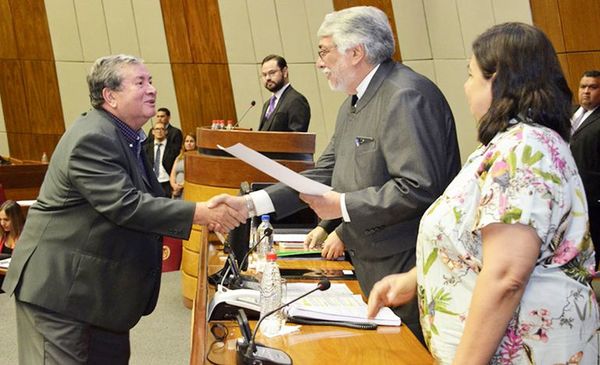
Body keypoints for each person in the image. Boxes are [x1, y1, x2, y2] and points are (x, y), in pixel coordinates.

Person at [211, 6, 461, 344]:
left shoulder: (406, 95)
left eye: (324, 51)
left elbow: (418, 188)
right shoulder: (353, 103)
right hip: (368, 264)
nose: (318, 63)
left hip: (402, 268)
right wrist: (250, 204)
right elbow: (323, 172)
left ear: (356, 52)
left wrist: (341, 204)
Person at [367, 23, 599, 364]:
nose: (465, 86)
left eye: (470, 74)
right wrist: (416, 279)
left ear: (500, 80)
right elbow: (479, 244)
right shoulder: (508, 143)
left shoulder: (523, 149)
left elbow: (507, 275)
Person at [1, 54, 246, 364]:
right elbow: (125, 204)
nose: (152, 89)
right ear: (110, 96)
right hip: (60, 294)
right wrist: (201, 213)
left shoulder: (125, 136)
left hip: (96, 293)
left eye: (151, 81)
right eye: (140, 83)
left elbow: (144, 199)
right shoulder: (93, 137)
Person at [570, 70, 600, 268]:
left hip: (595, 196)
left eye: (593, 87)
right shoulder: (570, 114)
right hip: (574, 196)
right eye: (583, 87)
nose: (586, 92)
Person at [258, 54, 311, 132]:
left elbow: (297, 138)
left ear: (285, 72)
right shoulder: (267, 104)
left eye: (272, 73)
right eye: (264, 75)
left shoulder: (296, 100)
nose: (267, 78)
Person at [144, 120, 180, 197]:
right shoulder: (146, 148)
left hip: (168, 183)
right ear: (153, 132)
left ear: (166, 132)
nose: (159, 131)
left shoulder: (174, 148)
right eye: (157, 129)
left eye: (162, 129)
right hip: (152, 183)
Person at [170, 132, 197, 200]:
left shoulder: (198, 157)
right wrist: (174, 185)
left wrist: (182, 185)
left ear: (196, 143)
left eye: (191, 141)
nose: (189, 143)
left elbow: (196, 175)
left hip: (189, 189)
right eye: (186, 141)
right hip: (176, 190)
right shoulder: (179, 157)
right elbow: (173, 174)